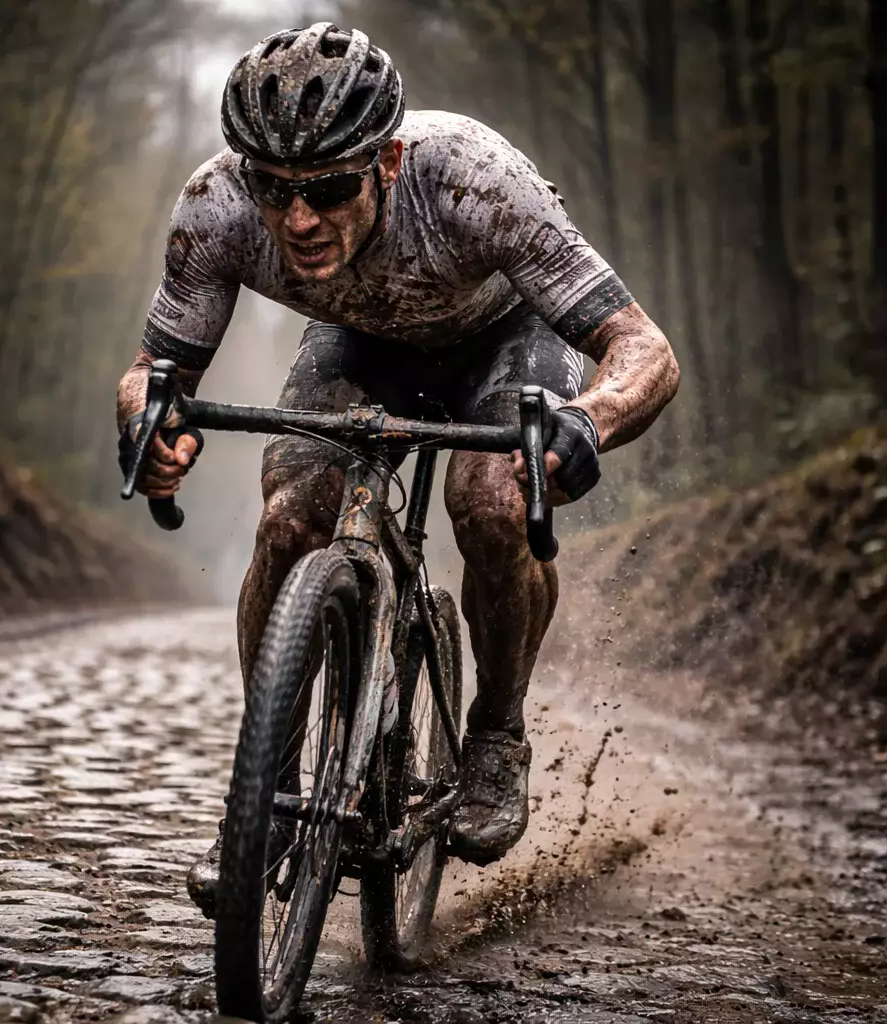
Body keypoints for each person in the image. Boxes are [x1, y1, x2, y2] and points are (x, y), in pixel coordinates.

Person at [113, 23, 680, 918]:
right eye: (274, 190)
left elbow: (643, 349)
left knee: (491, 500)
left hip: (503, 339)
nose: (298, 221)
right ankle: (261, 800)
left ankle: (495, 732)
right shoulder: (214, 206)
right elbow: (156, 373)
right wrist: (151, 426)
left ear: (387, 161)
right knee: (289, 519)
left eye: (330, 189)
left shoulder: (474, 182)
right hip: (361, 345)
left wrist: (588, 421)